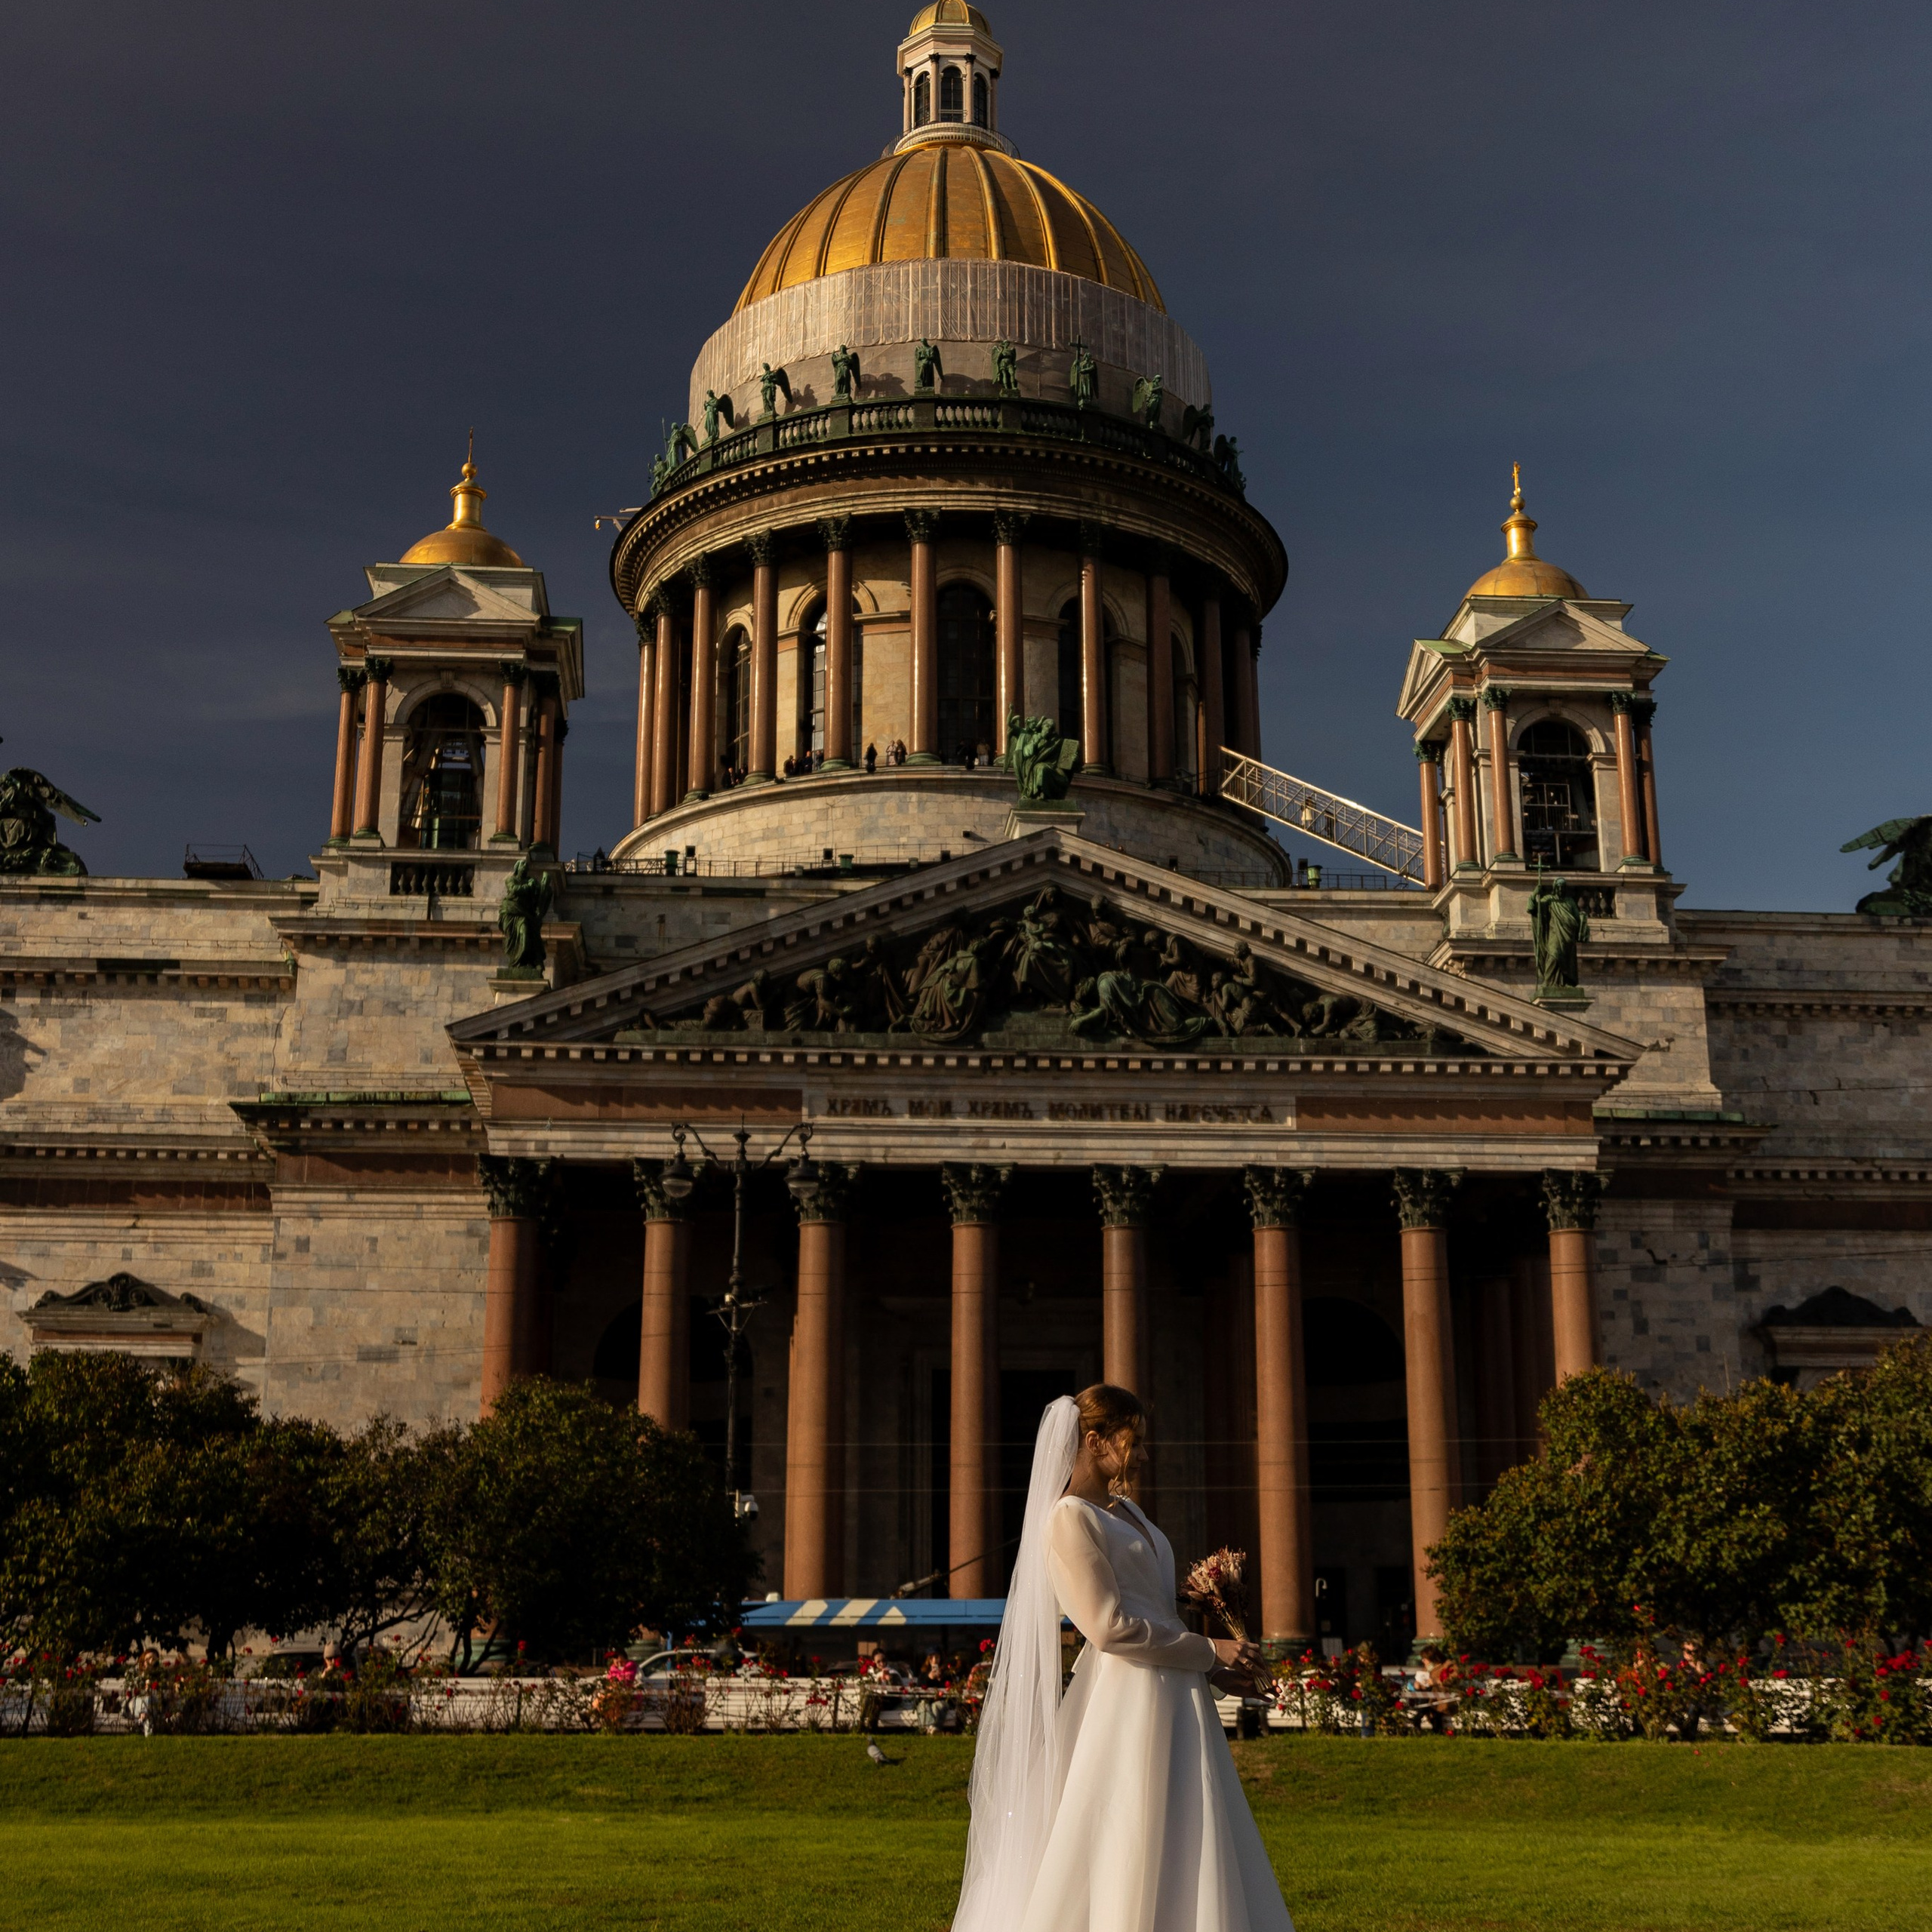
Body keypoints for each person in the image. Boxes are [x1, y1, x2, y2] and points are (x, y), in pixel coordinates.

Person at [953, 1385, 1293, 1932]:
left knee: (1189, 1824)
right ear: (1096, 1441)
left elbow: (1158, 1615)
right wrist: (1210, 1648)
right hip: (1123, 1700)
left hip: (1178, 1698)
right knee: (1127, 1831)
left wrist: (1217, 1671)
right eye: (1134, 1441)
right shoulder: (1069, 1518)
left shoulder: (1128, 1510)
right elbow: (1108, 1627)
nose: (1144, 1455)